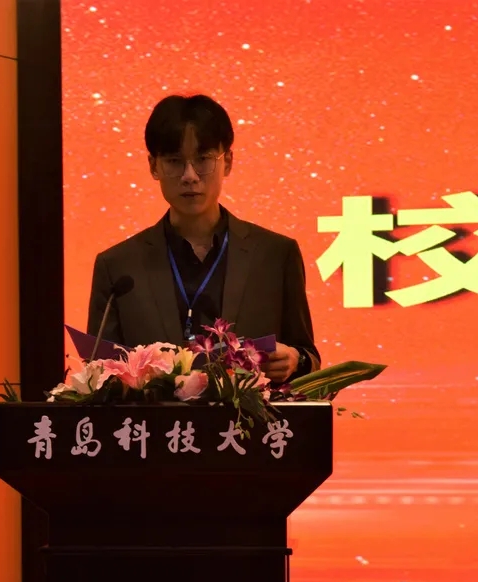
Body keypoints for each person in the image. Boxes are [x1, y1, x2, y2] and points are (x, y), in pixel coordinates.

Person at [87, 93, 320, 384]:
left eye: (203, 159)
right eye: (174, 161)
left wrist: (297, 361)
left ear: (228, 162)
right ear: (153, 166)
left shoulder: (275, 255)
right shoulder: (118, 266)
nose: (189, 175)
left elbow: (310, 360)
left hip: (249, 415)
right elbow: (98, 375)